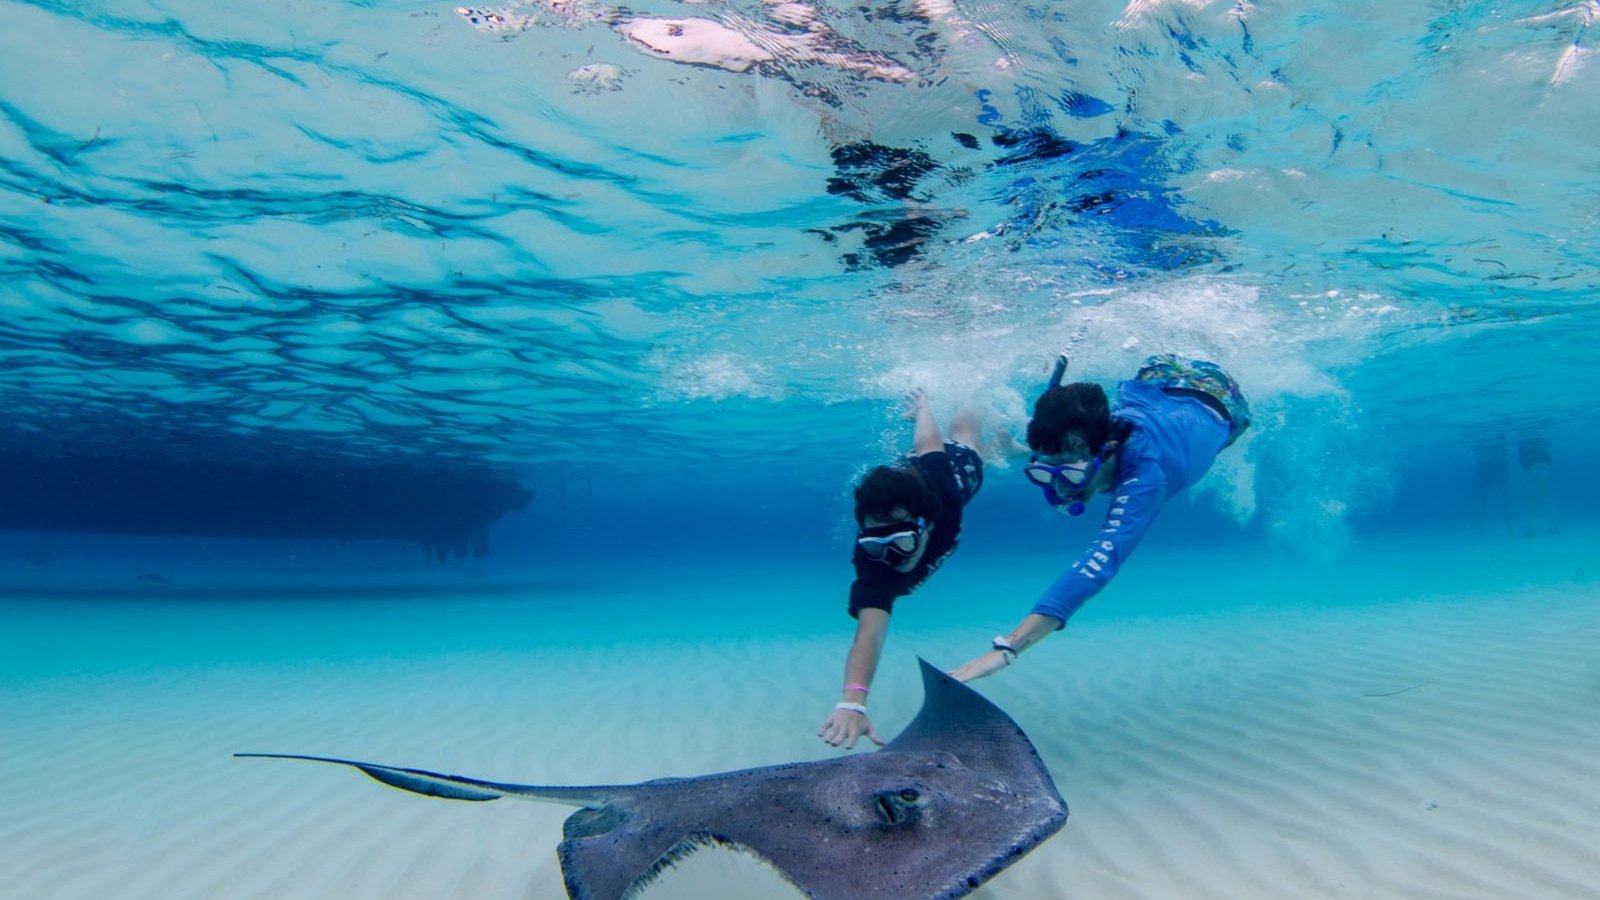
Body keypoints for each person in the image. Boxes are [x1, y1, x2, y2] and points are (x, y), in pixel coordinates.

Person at [950, 354, 1250, 682]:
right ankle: (1022, 450)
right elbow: (1062, 454)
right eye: (1045, 472)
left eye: (1072, 474)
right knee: (1067, 440)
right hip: (1155, 376)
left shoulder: (1146, 479)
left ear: (1106, 451)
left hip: (1219, 394)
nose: (1061, 489)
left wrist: (1007, 649)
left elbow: (1099, 564)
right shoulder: (1085, 448)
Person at [819, 388, 984, 749]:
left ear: (924, 526)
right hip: (908, 477)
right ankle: (1008, 445)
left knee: (966, 435)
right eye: (878, 543)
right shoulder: (872, 564)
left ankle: (971, 385)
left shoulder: (946, 500)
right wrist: (853, 701)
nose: (892, 556)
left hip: (953, 469)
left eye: (902, 543)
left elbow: (928, 441)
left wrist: (924, 406)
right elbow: (870, 632)